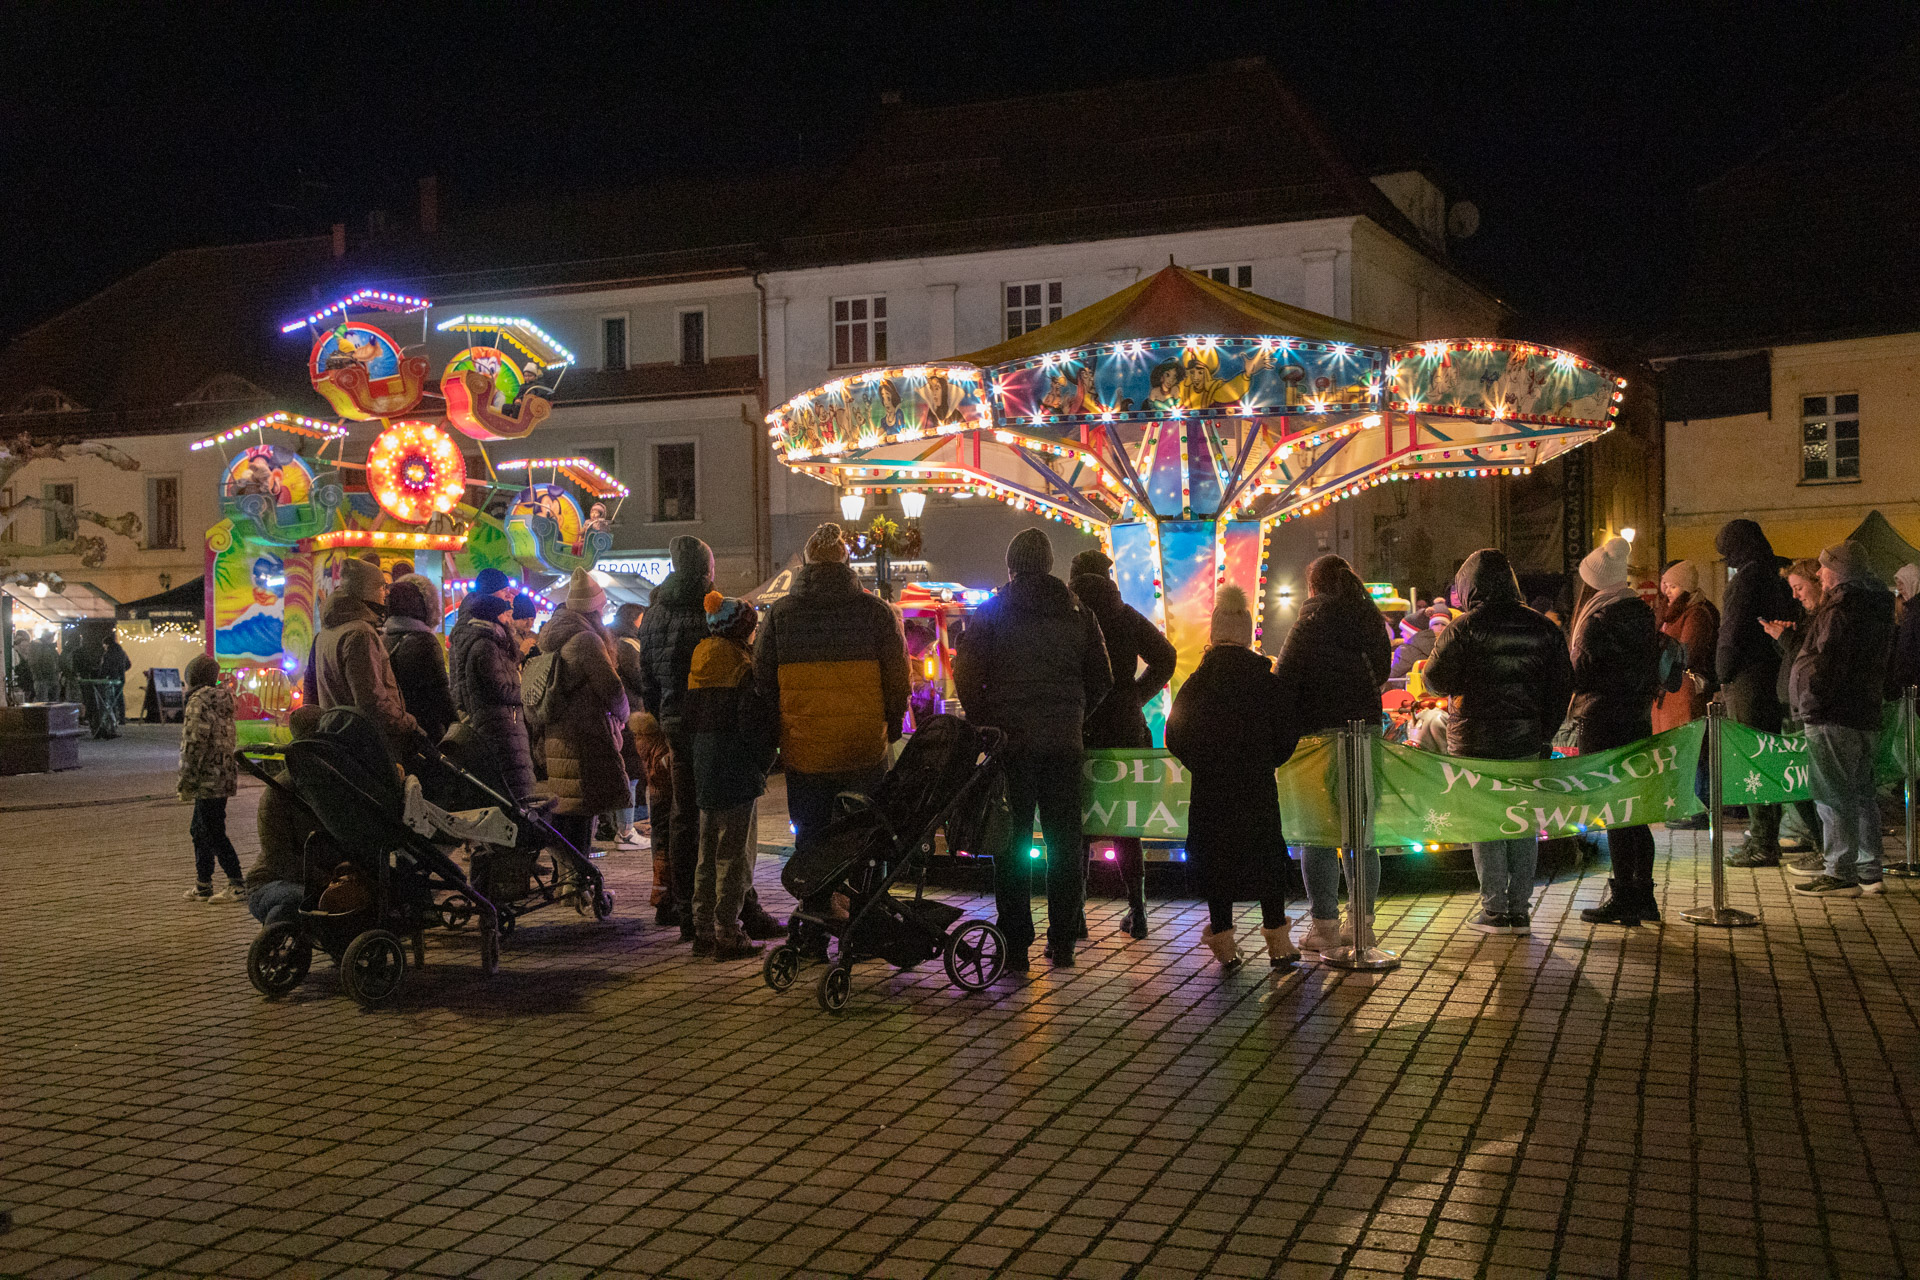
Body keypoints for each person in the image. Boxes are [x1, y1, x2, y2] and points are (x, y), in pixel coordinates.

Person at [954, 527, 1112, 970]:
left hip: (1012, 746)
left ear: (1011, 566)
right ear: (1048, 566)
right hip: (1063, 745)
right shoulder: (1078, 612)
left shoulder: (991, 612)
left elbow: (966, 675)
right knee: (1064, 843)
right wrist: (1074, 714)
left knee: (1011, 843)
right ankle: (1062, 941)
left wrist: (987, 720)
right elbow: (1103, 678)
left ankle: (1015, 943)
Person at [1424, 549, 1575, 933]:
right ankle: (1520, 908)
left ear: (1469, 586)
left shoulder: (1462, 628)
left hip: (1474, 744)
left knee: (1485, 823)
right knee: (1524, 821)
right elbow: (1562, 687)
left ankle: (1494, 909)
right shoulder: (1543, 628)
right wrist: (1543, 731)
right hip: (1525, 743)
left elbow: (1435, 680)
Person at [642, 537, 784, 941]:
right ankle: (739, 909)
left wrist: (663, 714)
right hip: (713, 721)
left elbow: (646, 675)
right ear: (707, 569)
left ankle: (688, 909)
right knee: (733, 824)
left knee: (686, 816)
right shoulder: (712, 610)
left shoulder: (654, 612)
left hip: (674, 719)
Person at [1165, 586, 1301, 972]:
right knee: (1266, 859)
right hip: (1256, 785)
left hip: (1211, 788)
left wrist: (1203, 762)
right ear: (1247, 633)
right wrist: (1265, 759)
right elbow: (1287, 731)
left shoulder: (1197, 682)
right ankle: (1278, 940)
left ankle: (1224, 943)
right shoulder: (1265, 680)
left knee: (1216, 862)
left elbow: (1174, 735)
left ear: (1213, 632)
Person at [753, 522, 910, 851]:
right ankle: (862, 898)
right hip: (864, 746)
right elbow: (898, 675)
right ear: (846, 561)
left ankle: (817, 898)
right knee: (865, 831)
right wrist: (893, 723)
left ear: (808, 562)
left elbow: (764, 681)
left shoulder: (781, 614)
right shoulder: (876, 612)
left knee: (811, 833)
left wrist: (775, 732)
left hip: (805, 748)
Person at [1273, 554, 1391, 954]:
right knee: (1361, 830)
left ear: (1312, 587)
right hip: (1366, 731)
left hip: (1320, 737)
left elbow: (1283, 681)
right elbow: (1383, 666)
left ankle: (1324, 926)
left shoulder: (1308, 624)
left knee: (1318, 833)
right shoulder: (1368, 618)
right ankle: (1363, 924)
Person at [1069, 562, 1176, 938]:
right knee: (1126, 826)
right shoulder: (1125, 615)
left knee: (1076, 827)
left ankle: (1075, 916)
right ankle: (1138, 911)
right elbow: (1166, 657)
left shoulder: (1070, 613)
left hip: (1081, 728)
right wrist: (1134, 695)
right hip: (1127, 732)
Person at [1566, 537, 1665, 926]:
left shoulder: (1598, 619)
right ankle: (1644, 895)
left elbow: (1582, 675)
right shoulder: (1640, 612)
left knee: (1615, 811)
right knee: (1635, 809)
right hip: (1637, 718)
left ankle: (1624, 896)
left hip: (1603, 721)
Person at [1791, 542, 1895, 896]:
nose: (1819, 574)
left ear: (1840, 571)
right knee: (1862, 793)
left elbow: (1829, 664)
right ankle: (1869, 871)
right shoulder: (1876, 606)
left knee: (1833, 794)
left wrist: (1811, 698)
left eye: (1823, 568)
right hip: (1863, 713)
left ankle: (1840, 872)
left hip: (1833, 715)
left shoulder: (1841, 609)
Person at [685, 593, 779, 959]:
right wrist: (764, 760)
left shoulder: (700, 660)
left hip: (705, 763)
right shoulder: (742, 666)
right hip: (737, 766)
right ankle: (728, 931)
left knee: (706, 852)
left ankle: (703, 928)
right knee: (735, 853)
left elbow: (689, 718)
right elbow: (753, 726)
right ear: (742, 631)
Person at [535, 570, 632, 862]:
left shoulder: (554, 636)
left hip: (558, 736)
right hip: (586, 736)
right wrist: (623, 715)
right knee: (581, 810)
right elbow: (611, 687)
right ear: (594, 608)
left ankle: (565, 876)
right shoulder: (586, 641)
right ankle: (578, 881)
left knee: (566, 809)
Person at [1715, 519, 1797, 866]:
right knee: (1775, 756)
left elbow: (1731, 630)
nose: (1728, 561)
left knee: (1753, 759)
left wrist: (1722, 672)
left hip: (1748, 680)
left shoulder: (1747, 578)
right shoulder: (1778, 570)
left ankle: (1763, 840)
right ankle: (1771, 835)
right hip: (1777, 674)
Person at [308, 557, 420, 759]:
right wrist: (409, 723)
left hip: (339, 739)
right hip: (367, 747)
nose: (386, 593)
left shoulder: (327, 632)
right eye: (381, 587)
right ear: (366, 590)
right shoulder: (360, 634)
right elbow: (372, 702)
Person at [1763, 559, 1829, 869]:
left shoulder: (1823, 618)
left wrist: (1784, 637)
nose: (1796, 596)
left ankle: (1826, 848)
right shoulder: (1809, 617)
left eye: (1799, 588)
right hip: (1795, 706)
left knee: (1805, 784)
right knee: (1798, 784)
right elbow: (1795, 658)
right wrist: (1782, 638)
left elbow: (1812, 658)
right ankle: (1823, 846)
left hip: (1808, 710)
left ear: (1817, 583)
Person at [449, 594, 536, 800]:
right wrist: (527, 693)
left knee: (514, 783)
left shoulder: (492, 643)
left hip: (503, 724)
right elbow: (499, 689)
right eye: (506, 614)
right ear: (495, 617)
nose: (510, 620)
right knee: (511, 787)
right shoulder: (485, 646)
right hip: (498, 726)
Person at [1653, 560, 1719, 831]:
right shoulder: (1673, 613)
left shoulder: (1696, 614)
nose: (1668, 590)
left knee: (1691, 750)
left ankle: (1697, 808)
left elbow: (1688, 652)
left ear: (1687, 587)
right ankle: (1683, 803)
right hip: (1670, 695)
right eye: (1666, 584)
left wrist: (1660, 647)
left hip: (1684, 695)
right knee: (1678, 751)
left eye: (1674, 585)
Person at [247, 706, 328, 926]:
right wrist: (324, 881)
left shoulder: (330, 784)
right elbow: (277, 858)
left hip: (316, 878)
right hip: (271, 882)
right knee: (300, 900)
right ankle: (277, 940)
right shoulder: (279, 790)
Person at [178, 654, 245, 902]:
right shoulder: (222, 699)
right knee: (199, 829)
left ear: (192, 677)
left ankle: (236, 882)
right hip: (223, 774)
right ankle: (203, 882)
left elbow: (194, 743)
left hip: (206, 776)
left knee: (213, 830)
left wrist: (186, 779)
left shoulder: (198, 702)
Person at [382, 575, 456, 744]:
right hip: (426, 730)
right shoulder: (425, 642)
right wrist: (456, 728)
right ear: (427, 607)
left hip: (398, 729)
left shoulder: (384, 639)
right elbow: (441, 694)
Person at [608, 602, 650, 853]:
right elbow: (639, 677)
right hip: (630, 716)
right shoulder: (627, 645)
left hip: (627, 715)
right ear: (634, 620)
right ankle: (626, 830)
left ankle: (625, 827)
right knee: (631, 774)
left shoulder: (617, 642)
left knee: (630, 774)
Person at [1888, 563, 1920, 695]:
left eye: (1903, 583)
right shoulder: (1912, 610)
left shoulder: (1916, 611)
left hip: (1914, 684)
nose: (1899, 588)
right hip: (1909, 683)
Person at [1388, 609, 1436, 682]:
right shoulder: (1436, 645)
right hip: (1428, 688)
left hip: (1406, 689)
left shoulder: (1405, 650)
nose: (1401, 633)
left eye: (1404, 630)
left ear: (1411, 632)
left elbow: (1392, 674)